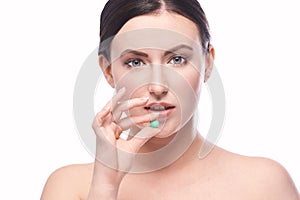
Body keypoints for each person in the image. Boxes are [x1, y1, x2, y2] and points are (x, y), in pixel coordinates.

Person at [41, 0, 299, 199]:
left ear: (207, 64)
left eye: (177, 59)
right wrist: (104, 186)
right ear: (108, 71)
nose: (157, 86)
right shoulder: (70, 187)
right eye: (135, 62)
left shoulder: (264, 184)